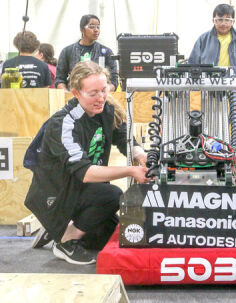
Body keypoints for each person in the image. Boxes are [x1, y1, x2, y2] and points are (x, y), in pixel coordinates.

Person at [25, 61, 149, 265]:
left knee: (105, 236)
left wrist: (141, 156)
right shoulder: (63, 123)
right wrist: (130, 170)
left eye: (103, 90)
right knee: (112, 195)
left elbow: (126, 140)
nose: (100, 98)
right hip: (57, 194)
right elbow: (85, 173)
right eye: (93, 93)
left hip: (82, 189)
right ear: (76, 93)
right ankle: (64, 239)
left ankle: (58, 227)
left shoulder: (107, 110)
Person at [188, 3, 236, 77]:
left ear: (233, 22)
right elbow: (192, 66)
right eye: (219, 19)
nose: (223, 23)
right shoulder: (203, 39)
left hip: (235, 86)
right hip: (209, 86)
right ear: (213, 21)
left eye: (227, 20)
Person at [55, 14, 118, 91]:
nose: (96, 30)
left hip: (99, 97)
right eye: (91, 26)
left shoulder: (106, 52)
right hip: (74, 95)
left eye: (98, 27)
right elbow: (59, 79)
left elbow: (114, 80)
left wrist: (103, 91)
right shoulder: (67, 51)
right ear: (82, 29)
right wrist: (67, 94)